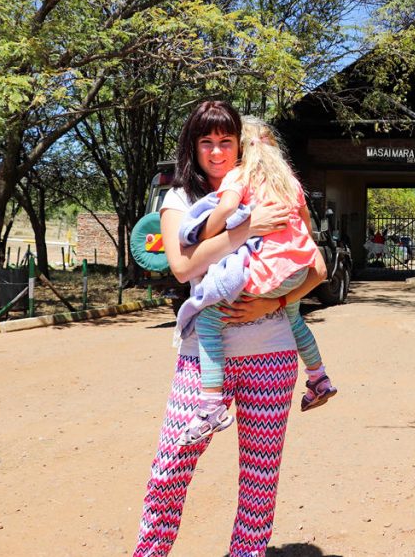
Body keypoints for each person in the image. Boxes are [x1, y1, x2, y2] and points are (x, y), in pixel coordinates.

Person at [134, 100, 327, 557]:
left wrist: (272, 300)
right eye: (207, 142)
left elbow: (316, 266)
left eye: (226, 141)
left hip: (272, 352)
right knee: (171, 465)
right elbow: (182, 268)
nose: (217, 152)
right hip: (203, 356)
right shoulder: (179, 200)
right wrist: (246, 228)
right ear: (193, 146)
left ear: (241, 145)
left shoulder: (274, 190)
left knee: (260, 478)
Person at [175, 116, 337, 445]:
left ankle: (210, 405)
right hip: (297, 271)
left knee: (207, 318)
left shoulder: (242, 174)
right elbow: (310, 244)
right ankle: (319, 377)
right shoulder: (289, 181)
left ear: (241, 149)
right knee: (294, 320)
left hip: (270, 274)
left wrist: (204, 228)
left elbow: (226, 210)